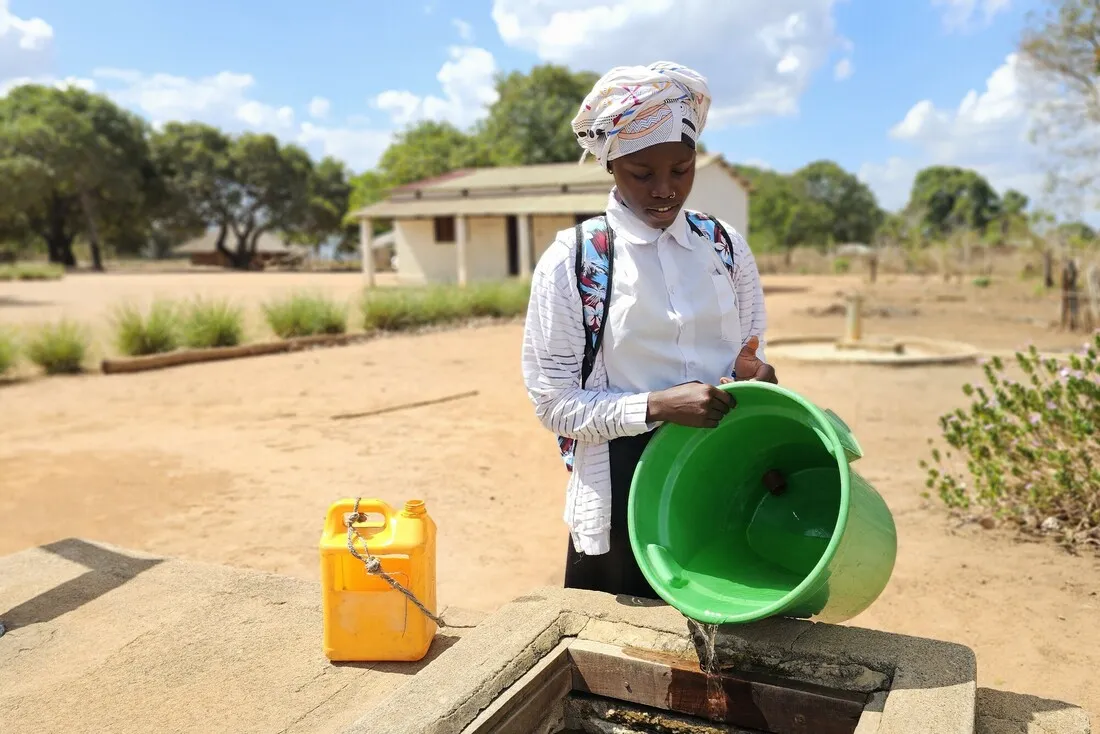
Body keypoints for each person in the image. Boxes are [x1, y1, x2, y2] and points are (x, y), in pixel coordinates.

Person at [520, 61, 778, 601]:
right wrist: (656, 407)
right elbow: (555, 405)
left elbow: (747, 356)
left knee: (729, 617)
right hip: (623, 484)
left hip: (724, 469)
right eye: (642, 173)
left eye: (681, 170)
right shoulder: (576, 262)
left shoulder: (724, 247)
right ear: (611, 163)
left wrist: (754, 380)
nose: (665, 190)